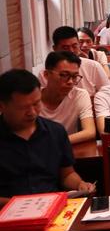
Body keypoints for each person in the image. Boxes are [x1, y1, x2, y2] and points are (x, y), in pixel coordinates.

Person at [0, 69, 95, 204]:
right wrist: (21, 204)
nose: (32, 112)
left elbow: (67, 174)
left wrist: (80, 184)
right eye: (23, 108)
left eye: (36, 104)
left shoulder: (55, 132)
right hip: (7, 211)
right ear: (2, 106)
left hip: (53, 205)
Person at [39, 52, 96, 144]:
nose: (70, 82)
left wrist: (54, 144)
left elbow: (90, 131)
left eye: (75, 76)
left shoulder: (79, 95)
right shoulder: (32, 98)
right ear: (46, 74)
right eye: (64, 75)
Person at [47, 26, 110, 97]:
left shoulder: (93, 66)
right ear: (55, 49)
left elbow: (108, 92)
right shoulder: (49, 72)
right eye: (65, 48)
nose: (71, 51)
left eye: (74, 46)